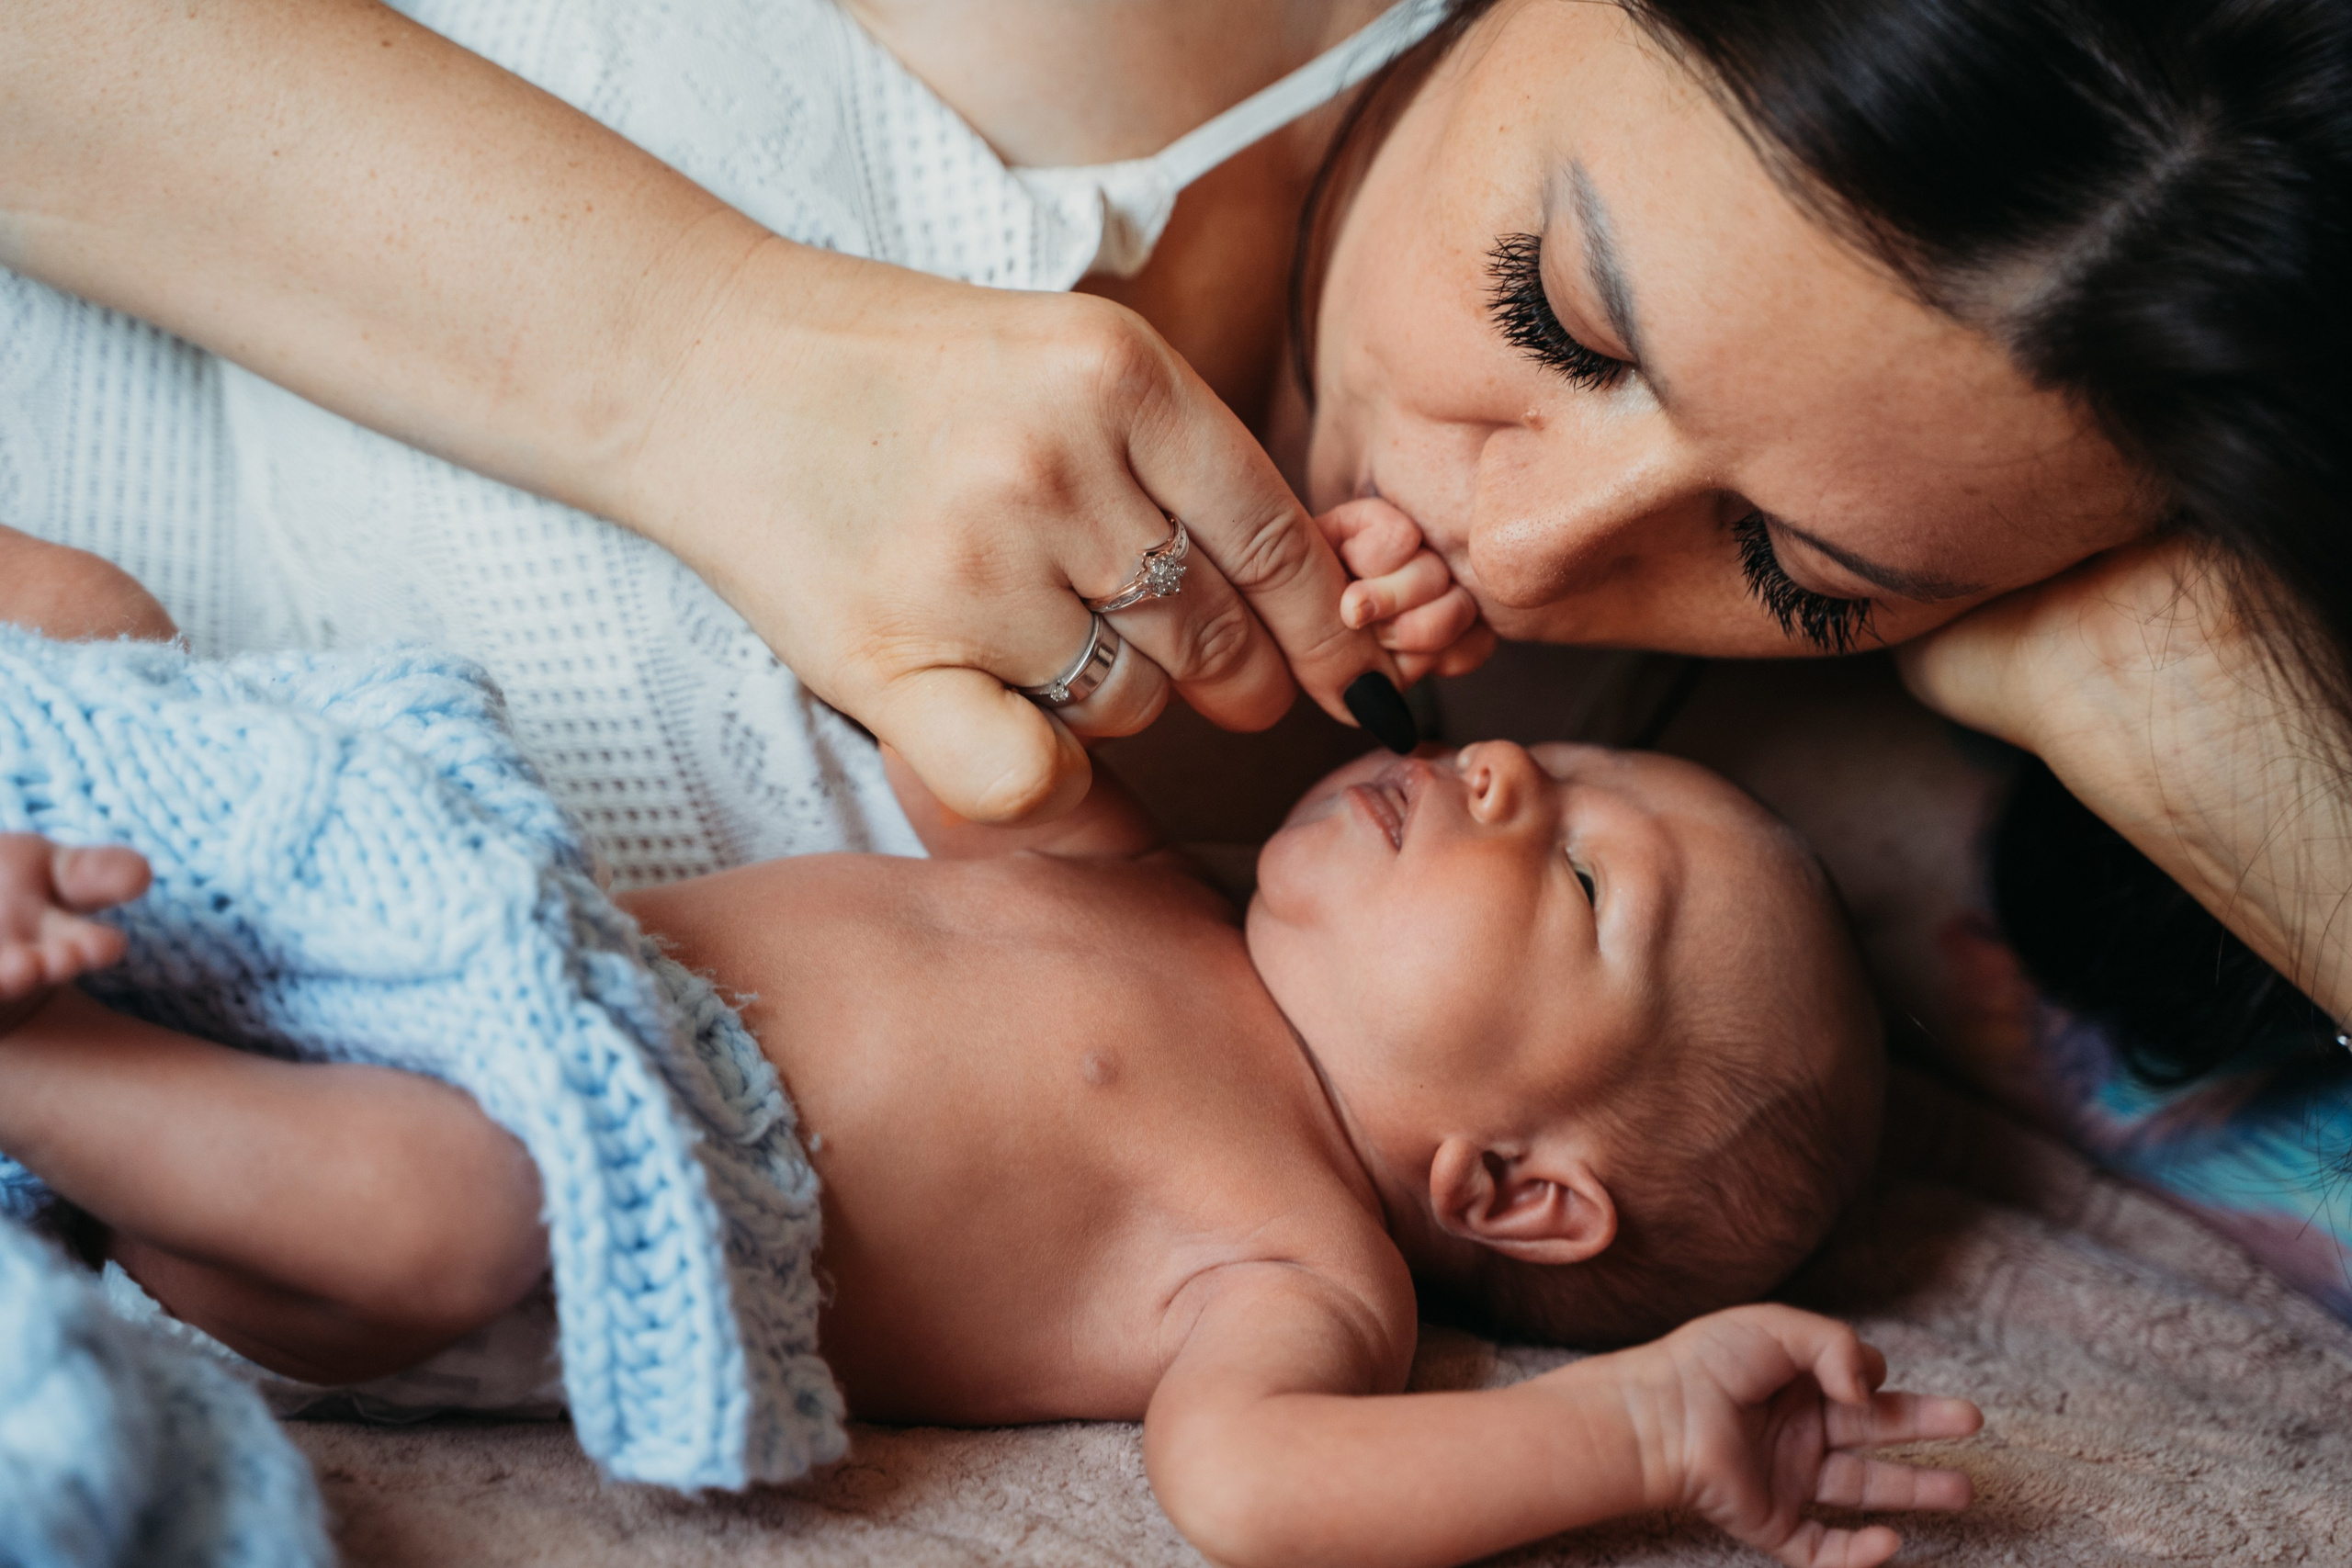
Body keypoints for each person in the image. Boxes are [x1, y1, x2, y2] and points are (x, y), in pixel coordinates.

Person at [0, 531, 1978, 1568]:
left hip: (435, 1187)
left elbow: (1253, 1492)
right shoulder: (1158, 883)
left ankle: (43, 1051)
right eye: (1536, 756)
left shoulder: (1300, 1269)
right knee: (92, 622)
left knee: (452, 1202)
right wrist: (1318, 569)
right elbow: (977, 708)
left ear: (1515, 1185)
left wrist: (1628, 1430)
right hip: (384, 925)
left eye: (1573, 873)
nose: (1490, 765)